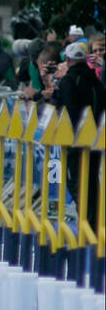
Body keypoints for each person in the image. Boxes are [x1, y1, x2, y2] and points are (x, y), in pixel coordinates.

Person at [53, 41, 106, 231]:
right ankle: (94, 222)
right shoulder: (96, 81)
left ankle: (87, 221)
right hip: (95, 137)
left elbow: (69, 110)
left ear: (67, 59)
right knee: (92, 180)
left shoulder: (68, 81)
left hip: (75, 140)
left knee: (75, 180)